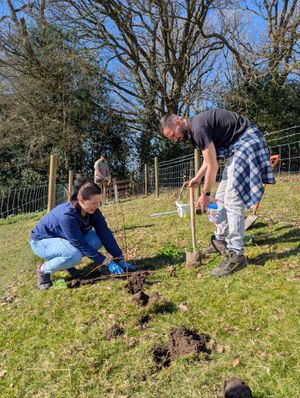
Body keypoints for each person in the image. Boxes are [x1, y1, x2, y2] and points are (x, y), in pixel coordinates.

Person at [159, 109, 275, 277]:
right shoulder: (195, 129)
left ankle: (236, 254)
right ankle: (220, 241)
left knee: (233, 199)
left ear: (178, 122)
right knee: (220, 198)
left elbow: (213, 166)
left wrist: (205, 195)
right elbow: (209, 160)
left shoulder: (198, 129)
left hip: (246, 142)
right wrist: (197, 178)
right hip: (236, 148)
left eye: (173, 135)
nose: (175, 140)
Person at [30, 177, 136, 289]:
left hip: (64, 239)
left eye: (99, 202)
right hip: (42, 241)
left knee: (97, 239)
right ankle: (43, 270)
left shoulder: (93, 211)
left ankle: (67, 263)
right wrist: (106, 262)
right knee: (73, 255)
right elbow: (80, 243)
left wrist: (118, 257)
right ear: (81, 200)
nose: (97, 206)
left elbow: (105, 233)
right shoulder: (67, 216)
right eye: (94, 203)